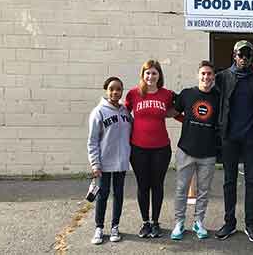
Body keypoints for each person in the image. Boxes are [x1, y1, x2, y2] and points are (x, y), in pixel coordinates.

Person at [214, 40, 253, 242]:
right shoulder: (223, 77)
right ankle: (229, 222)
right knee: (229, 181)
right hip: (229, 138)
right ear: (234, 55)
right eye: (240, 54)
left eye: (247, 55)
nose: (243, 58)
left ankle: (250, 223)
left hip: (252, 139)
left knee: (252, 182)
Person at [125, 60, 177, 238]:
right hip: (138, 148)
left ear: (159, 75)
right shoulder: (133, 94)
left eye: (154, 73)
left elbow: (178, 113)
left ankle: (156, 222)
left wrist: (196, 123)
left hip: (161, 148)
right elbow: (123, 114)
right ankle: (145, 222)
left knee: (157, 185)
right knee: (143, 185)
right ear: (143, 75)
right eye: (147, 73)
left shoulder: (167, 94)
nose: (151, 76)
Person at [170, 60, 219, 240]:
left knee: (204, 191)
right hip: (186, 150)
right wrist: (187, 121)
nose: (206, 77)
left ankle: (199, 222)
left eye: (209, 74)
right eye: (203, 73)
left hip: (208, 153)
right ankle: (179, 222)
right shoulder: (187, 94)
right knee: (181, 189)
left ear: (214, 77)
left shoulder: (218, 97)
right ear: (198, 75)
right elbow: (174, 112)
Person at [87, 77, 132, 245]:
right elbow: (92, 141)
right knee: (102, 195)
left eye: (119, 89)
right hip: (104, 163)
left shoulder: (126, 112)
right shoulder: (98, 112)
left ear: (122, 91)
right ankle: (99, 228)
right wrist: (95, 163)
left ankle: (115, 226)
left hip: (120, 163)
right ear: (106, 90)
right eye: (112, 89)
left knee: (118, 195)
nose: (115, 92)